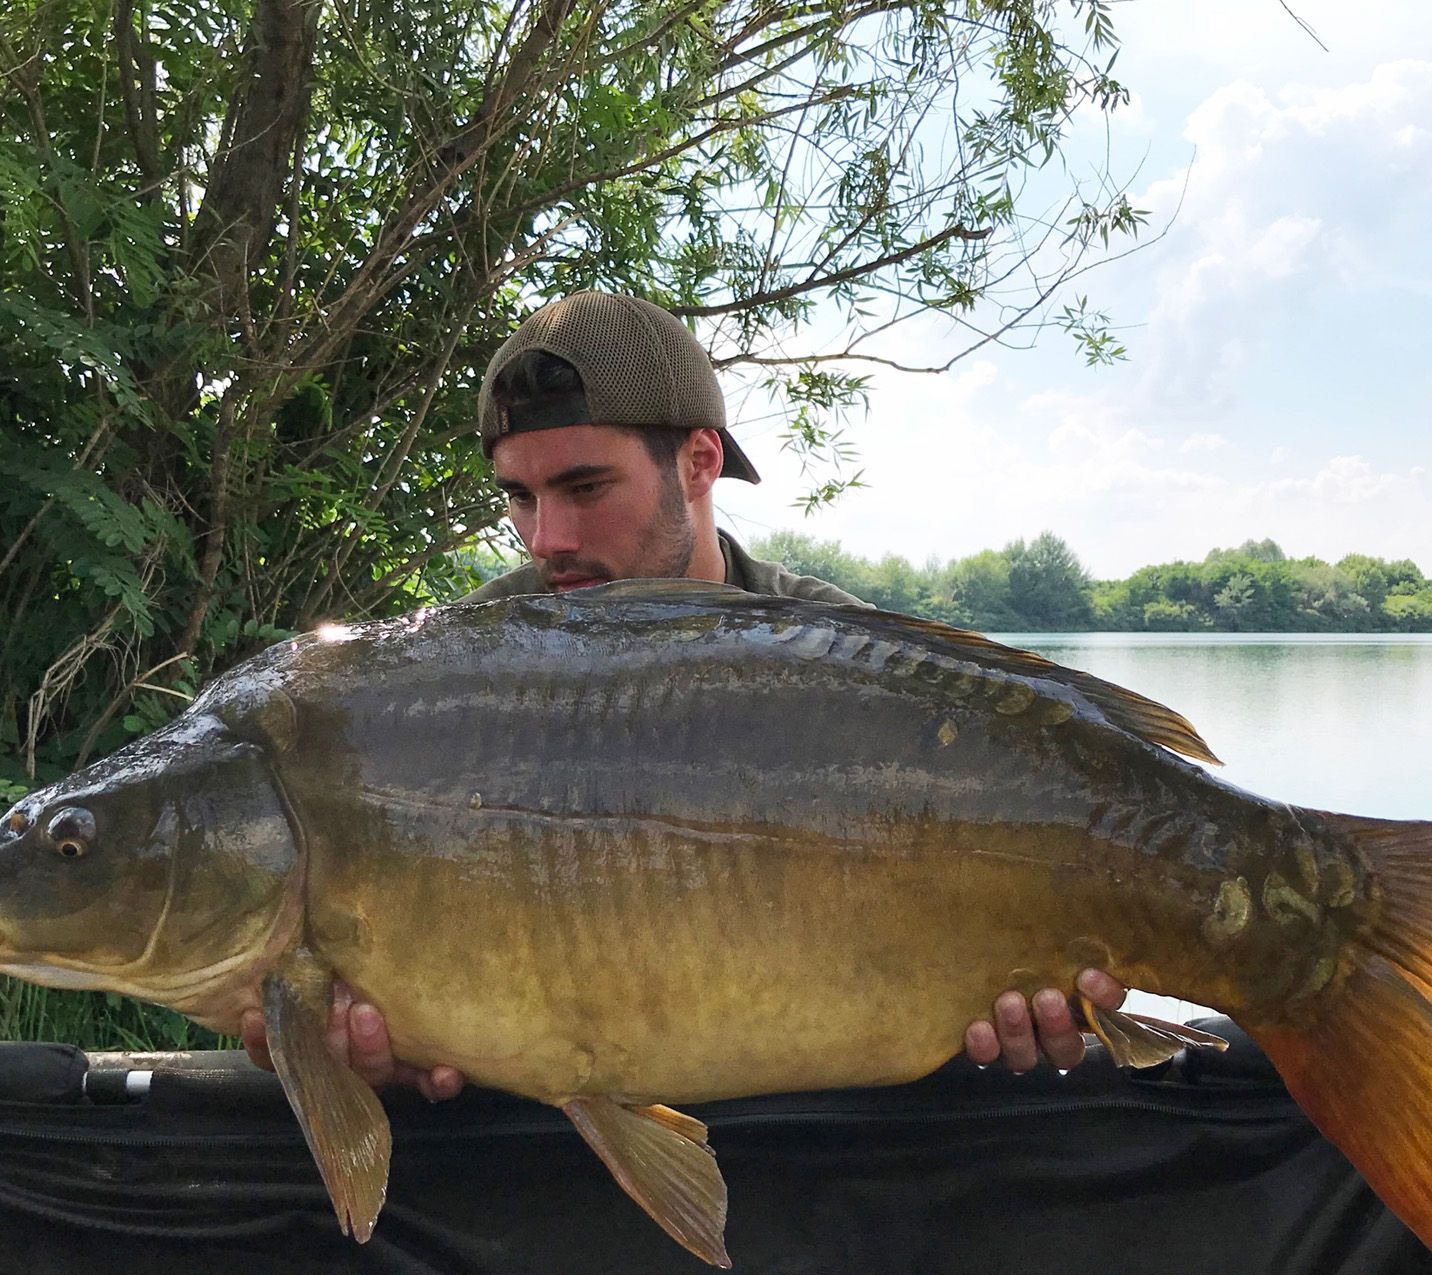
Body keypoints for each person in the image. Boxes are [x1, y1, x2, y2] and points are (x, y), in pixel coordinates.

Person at [240, 291, 1127, 1098]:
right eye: (519, 495)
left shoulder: (850, 665)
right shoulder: (458, 674)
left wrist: (1046, 1013)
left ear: (699, 462)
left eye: (585, 487)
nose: (547, 538)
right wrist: (378, 1049)